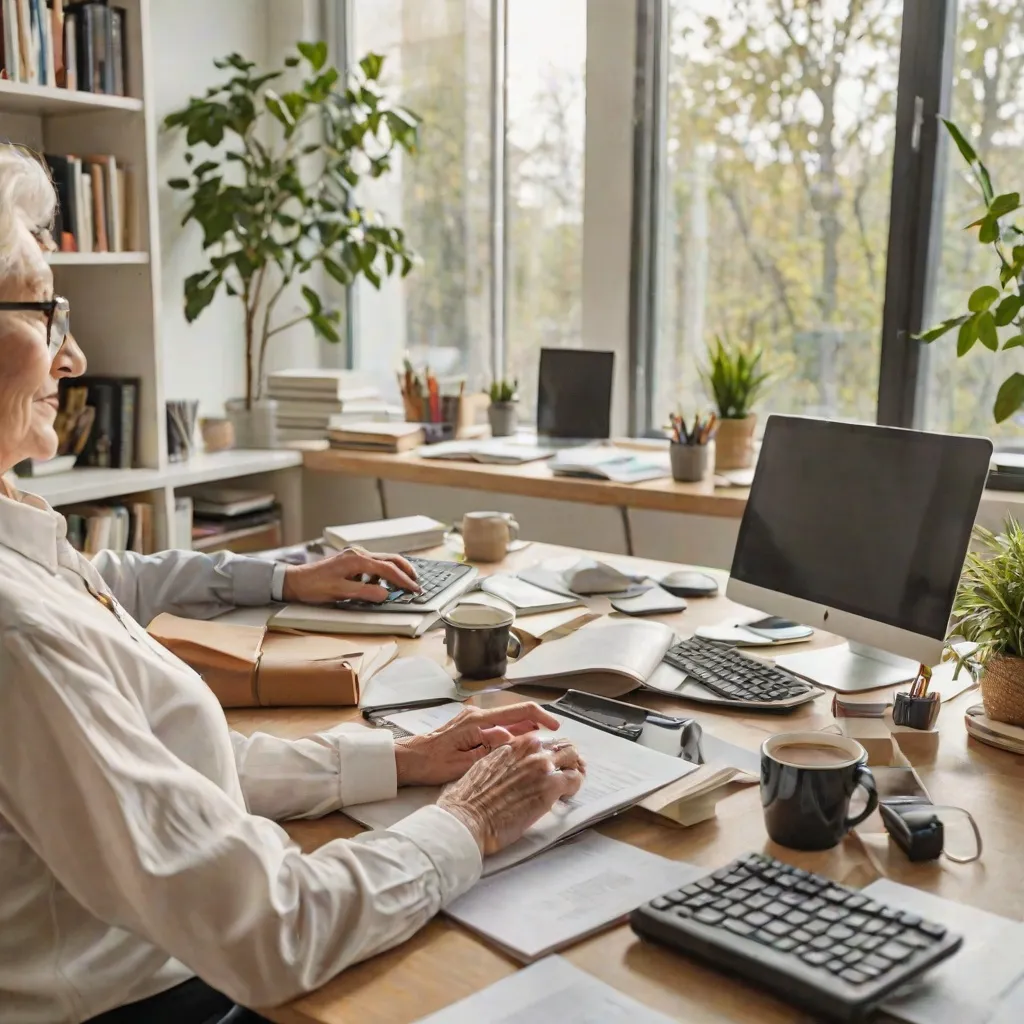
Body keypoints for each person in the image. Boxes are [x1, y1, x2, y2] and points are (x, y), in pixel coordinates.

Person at [0, 144, 586, 1024]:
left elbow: (163, 766)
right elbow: (273, 933)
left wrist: (400, 758)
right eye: (47, 312)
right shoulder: (19, 633)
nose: (72, 356)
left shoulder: (28, 541)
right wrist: (466, 819)